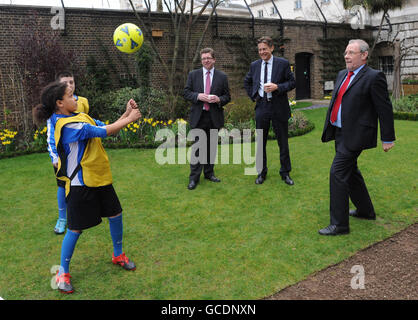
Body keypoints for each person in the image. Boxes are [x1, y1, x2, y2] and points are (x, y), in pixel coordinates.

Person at [33, 81, 142, 293]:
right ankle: (63, 272)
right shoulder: (67, 125)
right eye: (71, 96)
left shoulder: (78, 117)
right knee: (75, 228)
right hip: (79, 184)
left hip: (99, 177)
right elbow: (104, 133)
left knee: (116, 214)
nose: (75, 99)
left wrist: (125, 114)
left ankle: (118, 254)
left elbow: (103, 127)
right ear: (60, 103)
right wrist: (130, 119)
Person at [319, 39, 395, 236]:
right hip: (339, 132)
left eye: (351, 52)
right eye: (346, 52)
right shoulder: (342, 74)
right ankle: (366, 211)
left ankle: (340, 225)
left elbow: (384, 109)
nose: (346, 56)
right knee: (351, 173)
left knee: (337, 173)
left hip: (357, 135)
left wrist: (387, 138)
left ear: (364, 55)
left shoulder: (374, 77)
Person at [244, 36, 296, 186]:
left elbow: (292, 82)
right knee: (260, 142)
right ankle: (261, 173)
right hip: (262, 107)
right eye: (260, 49)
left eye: (264, 49)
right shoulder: (254, 65)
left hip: (279, 106)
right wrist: (254, 96)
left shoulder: (283, 63)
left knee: (283, 142)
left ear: (272, 48)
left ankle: (285, 173)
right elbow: (247, 81)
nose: (262, 52)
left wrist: (277, 87)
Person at [47, 71, 90, 234]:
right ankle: (62, 218)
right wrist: (54, 156)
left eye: (71, 82)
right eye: (65, 83)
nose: (69, 85)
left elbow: (87, 125)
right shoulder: (55, 106)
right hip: (63, 156)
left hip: (81, 154)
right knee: (63, 185)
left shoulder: (83, 102)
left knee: (82, 182)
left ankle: (81, 213)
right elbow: (51, 134)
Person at [184, 48, 231, 190]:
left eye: (209, 58)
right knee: (198, 149)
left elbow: (227, 97)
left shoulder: (222, 76)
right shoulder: (193, 75)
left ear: (214, 59)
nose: (206, 60)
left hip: (214, 117)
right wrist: (198, 96)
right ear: (201, 60)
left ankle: (209, 174)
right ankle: (194, 178)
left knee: (211, 148)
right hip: (199, 116)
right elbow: (186, 92)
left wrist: (218, 99)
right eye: (204, 58)